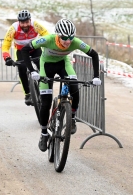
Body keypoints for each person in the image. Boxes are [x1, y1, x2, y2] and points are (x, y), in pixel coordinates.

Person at [21, 18, 102, 152]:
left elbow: (93, 54)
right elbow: (25, 50)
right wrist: (32, 70)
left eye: (71, 37)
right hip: (46, 66)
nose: (68, 41)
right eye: (64, 37)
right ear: (58, 35)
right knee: (45, 103)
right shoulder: (48, 39)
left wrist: (96, 77)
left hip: (63, 64)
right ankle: (44, 134)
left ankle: (72, 117)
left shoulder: (74, 42)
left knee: (74, 88)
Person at [2, 10, 49, 106]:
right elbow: (6, 44)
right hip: (21, 51)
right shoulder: (13, 29)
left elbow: (47, 35)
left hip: (34, 48)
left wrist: (48, 49)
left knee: (42, 66)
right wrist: (7, 58)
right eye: (22, 23)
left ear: (30, 20)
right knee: (22, 69)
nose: (25, 25)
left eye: (27, 22)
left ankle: (43, 88)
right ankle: (27, 94)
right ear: (18, 22)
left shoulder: (35, 25)